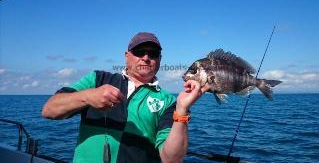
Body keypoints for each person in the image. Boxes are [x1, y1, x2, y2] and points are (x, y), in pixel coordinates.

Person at [42, 32, 208, 163]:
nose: (146, 57)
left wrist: (182, 110)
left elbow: (171, 159)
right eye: (139, 52)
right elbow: (49, 110)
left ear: (160, 60)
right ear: (127, 55)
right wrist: (87, 96)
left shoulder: (169, 101)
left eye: (153, 53)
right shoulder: (97, 79)